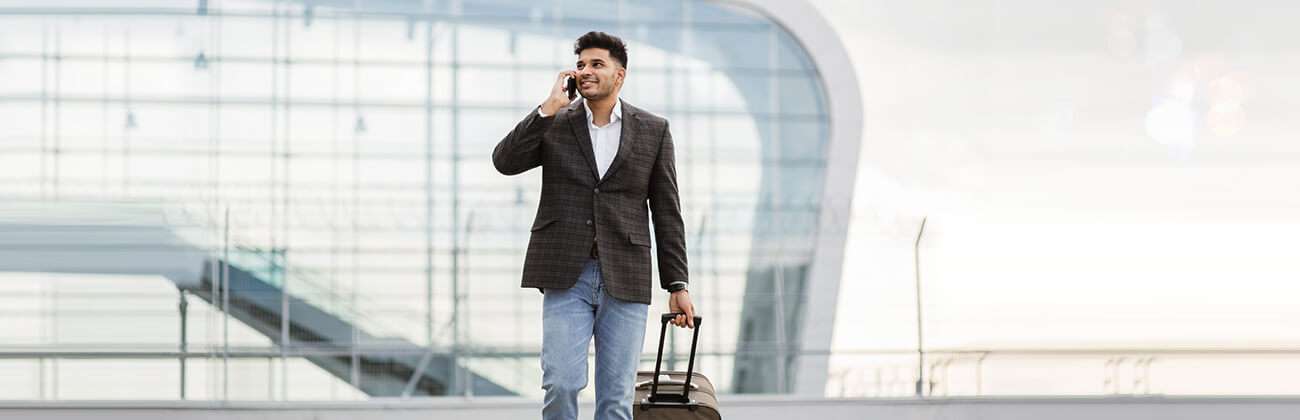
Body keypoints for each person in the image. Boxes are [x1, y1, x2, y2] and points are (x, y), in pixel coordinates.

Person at [492, 31, 695, 420]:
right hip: (567, 273)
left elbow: (667, 211)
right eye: (581, 64)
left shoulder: (654, 130)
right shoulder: (555, 122)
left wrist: (678, 284)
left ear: (620, 74)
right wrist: (546, 109)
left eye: (596, 64)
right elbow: (505, 161)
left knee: (616, 398)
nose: (585, 71)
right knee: (562, 383)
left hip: (627, 274)